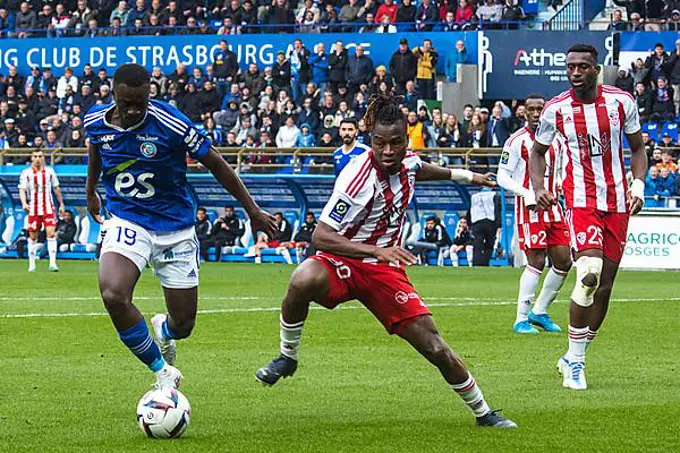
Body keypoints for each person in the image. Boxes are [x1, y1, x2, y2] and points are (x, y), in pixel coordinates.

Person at [255, 93, 516, 429]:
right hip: (345, 258)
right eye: (381, 143)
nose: (389, 152)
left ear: (407, 140)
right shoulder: (356, 178)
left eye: (396, 143)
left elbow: (423, 168)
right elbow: (320, 236)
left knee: (435, 348)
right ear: (370, 140)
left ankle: (484, 414)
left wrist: (467, 176)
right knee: (302, 278)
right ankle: (287, 357)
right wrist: (376, 250)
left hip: (385, 270)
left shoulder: (407, 162)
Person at [84, 64, 276, 390]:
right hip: (127, 219)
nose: (133, 110)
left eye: (140, 103)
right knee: (114, 294)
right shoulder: (94, 120)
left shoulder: (170, 122)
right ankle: (162, 372)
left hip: (175, 228)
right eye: (126, 103)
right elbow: (96, 148)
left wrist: (252, 210)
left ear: (149, 95)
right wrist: (91, 191)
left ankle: (165, 331)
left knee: (184, 324)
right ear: (113, 94)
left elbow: (215, 161)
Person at [530, 44, 647, 391]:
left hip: (617, 202)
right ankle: (576, 363)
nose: (575, 72)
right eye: (570, 67)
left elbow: (639, 148)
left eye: (583, 66)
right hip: (580, 201)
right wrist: (538, 188)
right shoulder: (556, 109)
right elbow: (538, 153)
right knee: (589, 274)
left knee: (605, 286)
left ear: (596, 69)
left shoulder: (621, 102)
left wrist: (637, 185)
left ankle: (573, 354)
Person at [497, 94, 572, 335]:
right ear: (524, 112)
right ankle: (520, 318)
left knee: (563, 260)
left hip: (554, 207)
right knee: (536, 261)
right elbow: (502, 176)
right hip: (530, 209)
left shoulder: (557, 140)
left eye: (541, 108)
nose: (536, 112)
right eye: (531, 108)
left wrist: (559, 186)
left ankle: (539, 311)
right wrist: (527, 193)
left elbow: (560, 170)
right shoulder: (516, 141)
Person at [18, 149, 66, 272]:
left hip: (48, 208)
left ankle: (53, 263)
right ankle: (32, 264)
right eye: (35, 156)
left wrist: (61, 204)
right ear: (32, 158)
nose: (38, 158)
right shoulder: (26, 173)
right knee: (33, 236)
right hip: (33, 209)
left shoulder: (50, 172)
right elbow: (22, 190)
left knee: (51, 233)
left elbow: (56, 188)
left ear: (43, 158)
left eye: (40, 156)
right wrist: (24, 203)